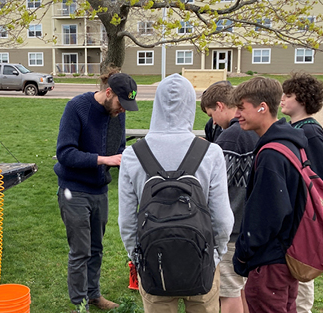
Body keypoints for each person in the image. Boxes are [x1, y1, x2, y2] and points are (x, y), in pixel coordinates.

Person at [118, 73, 233, 313]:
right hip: (201, 260)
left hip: (154, 262)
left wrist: (138, 258)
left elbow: (127, 221)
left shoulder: (132, 154)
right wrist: (214, 256)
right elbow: (222, 219)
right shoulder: (211, 152)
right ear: (190, 105)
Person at [54, 71, 139, 311]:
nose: (122, 110)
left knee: (96, 248)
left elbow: (119, 149)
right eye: (121, 104)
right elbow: (65, 153)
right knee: (80, 250)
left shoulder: (116, 113)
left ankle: (94, 295)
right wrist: (103, 160)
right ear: (109, 92)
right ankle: (80, 303)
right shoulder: (77, 108)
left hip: (100, 190)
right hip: (74, 189)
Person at [231, 76, 307, 313]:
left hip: (269, 262)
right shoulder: (290, 143)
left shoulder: (271, 155)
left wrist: (242, 255)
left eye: (242, 108)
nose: (236, 115)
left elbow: (267, 214)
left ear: (262, 107)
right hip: (287, 255)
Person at [201, 81, 258, 313]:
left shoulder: (231, 137)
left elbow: (214, 186)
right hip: (250, 225)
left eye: (212, 114)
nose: (213, 121)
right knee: (240, 289)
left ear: (221, 105)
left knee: (227, 294)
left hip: (232, 229)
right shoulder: (253, 131)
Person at [281, 72, 323, 313]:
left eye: (288, 95)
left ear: (302, 99)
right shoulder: (293, 127)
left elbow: (321, 176)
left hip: (306, 215)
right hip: (293, 213)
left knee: (302, 271)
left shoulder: (310, 132)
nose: (282, 99)